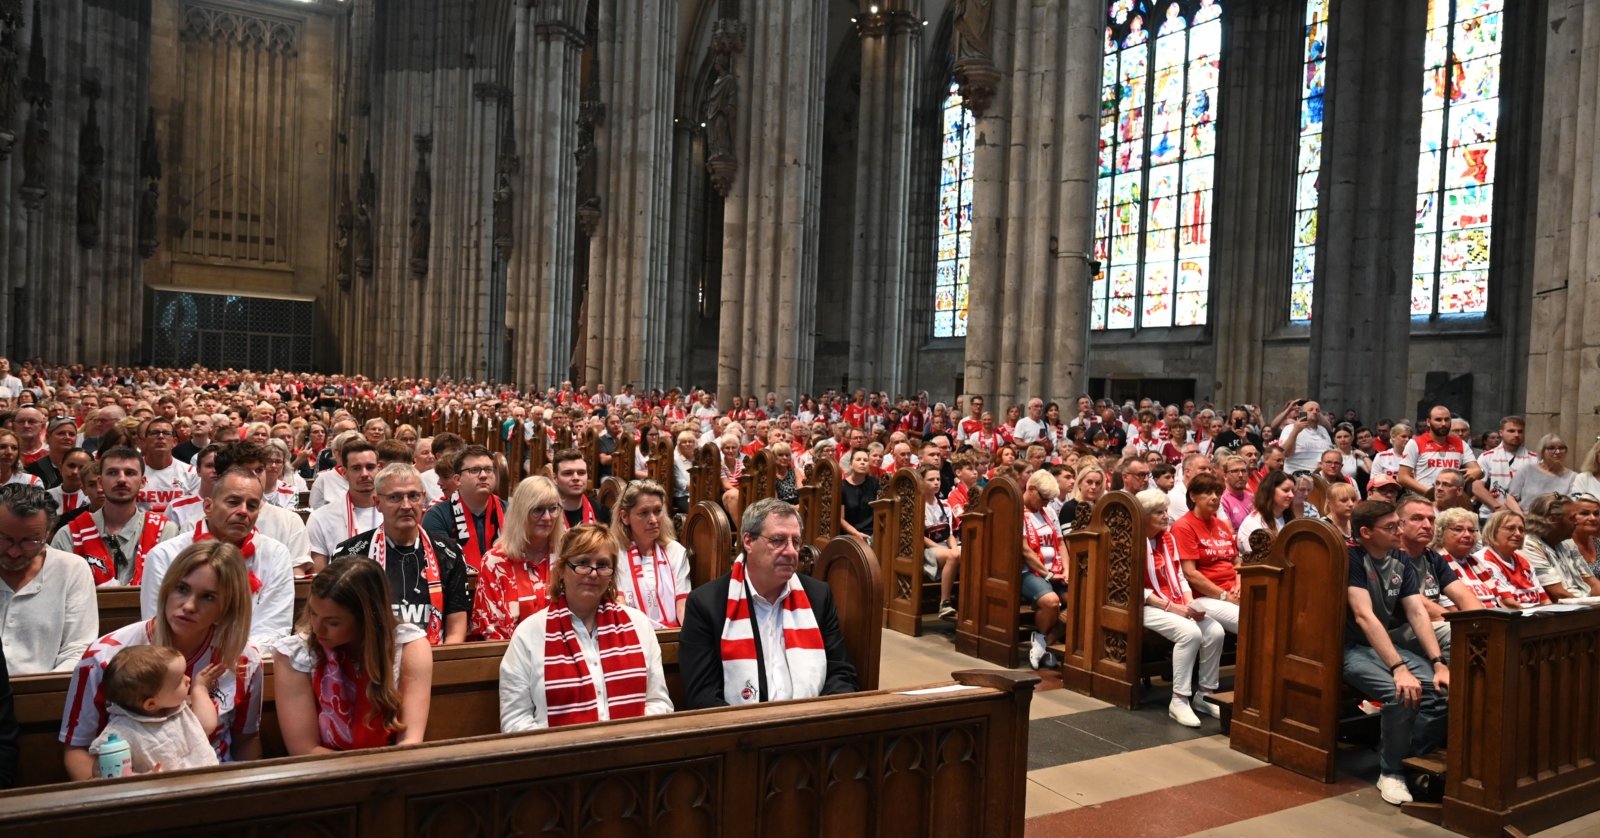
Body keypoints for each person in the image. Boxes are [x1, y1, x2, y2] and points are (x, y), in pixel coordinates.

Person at [61, 540, 263, 780]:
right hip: (131, 794)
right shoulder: (104, 656)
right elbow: (77, 749)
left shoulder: (242, 659)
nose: (188, 606)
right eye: (182, 589)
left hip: (214, 785)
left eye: (208, 597)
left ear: (228, 608)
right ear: (167, 588)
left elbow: (246, 740)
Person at [679, 498, 857, 708]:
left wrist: (816, 724)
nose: (791, 551)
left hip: (811, 730)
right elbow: (703, 696)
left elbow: (841, 674)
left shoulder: (817, 596)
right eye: (778, 540)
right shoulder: (706, 604)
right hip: (741, 734)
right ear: (748, 541)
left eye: (796, 541)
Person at [499, 524, 674, 730]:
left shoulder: (639, 625)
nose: (593, 573)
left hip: (630, 755)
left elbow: (659, 703)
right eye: (582, 563)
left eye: (602, 564)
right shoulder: (529, 634)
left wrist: (623, 742)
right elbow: (515, 720)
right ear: (562, 569)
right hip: (557, 758)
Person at [1343, 499, 1450, 806]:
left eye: (1398, 524)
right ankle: (1390, 772)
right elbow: (1364, 617)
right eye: (1391, 527)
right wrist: (1399, 668)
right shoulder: (1352, 558)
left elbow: (1417, 613)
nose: (1398, 531)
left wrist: (1438, 663)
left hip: (1379, 646)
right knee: (1400, 692)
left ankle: (1408, 759)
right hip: (1349, 648)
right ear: (1365, 532)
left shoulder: (1399, 560)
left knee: (1441, 690)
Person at [271, 559, 433, 754]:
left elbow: (410, 741)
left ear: (366, 619)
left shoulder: (410, 647)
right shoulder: (295, 655)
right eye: (313, 614)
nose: (317, 628)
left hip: (393, 768)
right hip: (322, 772)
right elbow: (304, 749)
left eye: (333, 622)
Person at [139, 467, 297, 646]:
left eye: (252, 506)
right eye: (233, 502)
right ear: (208, 506)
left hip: (249, 661)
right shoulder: (165, 555)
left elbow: (273, 627)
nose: (243, 511)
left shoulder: (276, 554)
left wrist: (233, 660)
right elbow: (158, 625)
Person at [329, 464, 471, 644]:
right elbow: (341, 624)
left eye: (413, 496)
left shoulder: (449, 552)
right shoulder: (349, 554)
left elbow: (456, 628)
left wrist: (438, 666)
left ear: (423, 499)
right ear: (377, 503)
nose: (406, 505)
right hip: (370, 663)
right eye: (394, 497)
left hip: (434, 660)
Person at [1137, 488, 1225, 728]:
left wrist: (1188, 602)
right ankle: (1179, 700)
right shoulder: (1131, 539)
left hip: (1175, 600)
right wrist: (1173, 607)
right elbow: (1131, 586)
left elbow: (1179, 574)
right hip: (1143, 605)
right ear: (1143, 516)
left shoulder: (1167, 537)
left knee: (1215, 631)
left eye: (1166, 510)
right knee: (1191, 633)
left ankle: (1204, 695)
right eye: (1158, 512)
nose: (1166, 516)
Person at [0, 484, 98, 674]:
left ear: (48, 533)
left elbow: (77, 648)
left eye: (30, 541)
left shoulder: (71, 569)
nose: (13, 552)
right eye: (4, 539)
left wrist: (43, 693)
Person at [51, 446, 177, 585]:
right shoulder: (70, 535)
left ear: (143, 482)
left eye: (130, 473)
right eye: (112, 473)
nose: (121, 479)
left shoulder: (165, 531)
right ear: (100, 482)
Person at [88, 644, 223, 774]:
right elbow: (101, 772)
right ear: (151, 704)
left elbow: (207, 726)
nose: (188, 679)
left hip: (206, 781)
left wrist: (200, 689)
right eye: (179, 681)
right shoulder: (121, 732)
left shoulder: (178, 707)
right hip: (162, 792)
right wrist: (138, 779)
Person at [472, 476, 566, 641]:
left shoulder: (567, 557)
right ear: (521, 512)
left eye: (553, 508)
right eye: (538, 510)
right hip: (509, 656)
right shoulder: (495, 562)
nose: (547, 517)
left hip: (563, 655)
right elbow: (492, 631)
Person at [611, 479, 692, 629]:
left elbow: (683, 606)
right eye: (644, 513)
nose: (653, 520)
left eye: (657, 511)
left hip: (670, 635)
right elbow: (619, 607)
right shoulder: (613, 553)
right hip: (632, 635)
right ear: (625, 517)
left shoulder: (675, 551)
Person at [421, 445, 503, 572]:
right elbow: (443, 566)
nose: (483, 475)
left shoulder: (510, 511)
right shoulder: (436, 516)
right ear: (457, 480)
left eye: (488, 469)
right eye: (475, 470)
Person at [306, 440, 382, 570]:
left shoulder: (395, 512)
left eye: (370, 467)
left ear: (379, 469)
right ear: (344, 473)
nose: (364, 474)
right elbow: (319, 575)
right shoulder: (321, 517)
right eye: (356, 468)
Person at [1019, 470, 1066, 669]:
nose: (1046, 504)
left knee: (1081, 602)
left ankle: (1043, 642)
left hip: (1054, 568)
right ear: (1031, 489)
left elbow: (1062, 544)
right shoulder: (1017, 511)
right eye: (1044, 499)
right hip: (1028, 571)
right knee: (1051, 602)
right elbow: (1025, 551)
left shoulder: (1050, 511)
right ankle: (1044, 643)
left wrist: (1068, 571)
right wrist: (1049, 575)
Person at [1519, 492, 1600, 601]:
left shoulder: (1568, 543)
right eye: (1572, 518)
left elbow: (1592, 582)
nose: (1576, 522)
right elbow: (1558, 594)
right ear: (1553, 520)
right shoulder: (1529, 546)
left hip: (1586, 605)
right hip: (1564, 611)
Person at [1433, 507, 1509, 609]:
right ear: (1440, 532)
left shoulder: (1477, 562)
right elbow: (1451, 609)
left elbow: (1500, 603)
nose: (1468, 535)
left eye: (1471, 530)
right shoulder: (1436, 562)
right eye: (1458, 529)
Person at [1398, 405, 1481, 495]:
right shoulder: (1415, 443)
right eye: (1438, 420)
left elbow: (1476, 469)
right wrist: (1430, 493)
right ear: (1428, 422)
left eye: (1447, 419)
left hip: (1452, 500)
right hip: (1424, 500)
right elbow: (1403, 477)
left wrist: (1477, 471)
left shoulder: (1461, 444)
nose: (1443, 424)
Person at [1476, 510, 1547, 608]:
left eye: (1521, 530)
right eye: (1510, 528)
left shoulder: (1523, 560)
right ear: (1493, 531)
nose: (1518, 534)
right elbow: (1508, 603)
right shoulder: (1483, 560)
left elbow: (1545, 600)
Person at [916, 464, 960, 620]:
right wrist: (950, 552)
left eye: (938, 479)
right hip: (926, 549)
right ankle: (944, 603)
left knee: (967, 552)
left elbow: (949, 534)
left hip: (945, 546)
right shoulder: (917, 505)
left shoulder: (945, 504)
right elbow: (919, 536)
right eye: (931, 479)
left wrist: (954, 548)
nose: (936, 482)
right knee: (952, 557)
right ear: (921, 482)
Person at [1473, 416, 1536, 520]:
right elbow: (1477, 487)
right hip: (1491, 514)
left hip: (1524, 516)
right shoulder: (1487, 456)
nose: (1516, 435)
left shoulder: (1534, 459)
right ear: (1501, 433)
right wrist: (1498, 508)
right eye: (1511, 431)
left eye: (1520, 431)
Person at [135, 417, 198, 513]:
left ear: (175, 442)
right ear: (145, 441)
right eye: (154, 433)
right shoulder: (129, 471)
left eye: (166, 433)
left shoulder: (191, 473)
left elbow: (193, 511)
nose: (160, 436)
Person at [1506, 435, 1576, 513]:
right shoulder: (1527, 470)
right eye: (1552, 448)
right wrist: (1521, 516)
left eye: (1561, 448)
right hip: (1527, 519)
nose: (1557, 452)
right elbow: (1510, 498)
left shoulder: (1572, 477)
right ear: (1542, 451)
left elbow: (1570, 505)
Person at [1235, 470, 1297, 554]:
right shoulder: (1253, 522)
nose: (1291, 495)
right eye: (1286, 490)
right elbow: (1259, 560)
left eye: (1293, 491)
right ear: (1270, 491)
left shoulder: (1289, 518)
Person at [553, 449, 607, 527]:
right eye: (568, 473)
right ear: (555, 478)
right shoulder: (544, 514)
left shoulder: (602, 512)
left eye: (581, 473)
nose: (576, 478)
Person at [1278, 400, 1333, 474]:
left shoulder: (1323, 430)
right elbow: (1285, 454)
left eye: (1317, 410)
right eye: (1310, 410)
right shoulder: (1290, 428)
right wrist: (1295, 431)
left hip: (1320, 477)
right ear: (1301, 413)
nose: (1314, 412)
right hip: (1297, 475)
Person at [840, 448, 879, 539]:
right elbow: (840, 519)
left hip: (873, 534)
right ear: (850, 464)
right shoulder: (842, 487)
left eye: (865, 460)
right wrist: (855, 533)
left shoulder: (875, 484)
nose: (862, 463)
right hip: (850, 534)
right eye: (858, 460)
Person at [45, 447, 93, 516]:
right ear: (60, 467)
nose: (75, 472)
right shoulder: (46, 496)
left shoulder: (93, 498)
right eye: (71, 466)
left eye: (82, 468)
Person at [1219, 456, 1254, 529]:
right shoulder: (1222, 501)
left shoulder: (1253, 497)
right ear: (1225, 476)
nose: (1241, 475)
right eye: (1235, 471)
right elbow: (1228, 533)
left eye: (1243, 471)